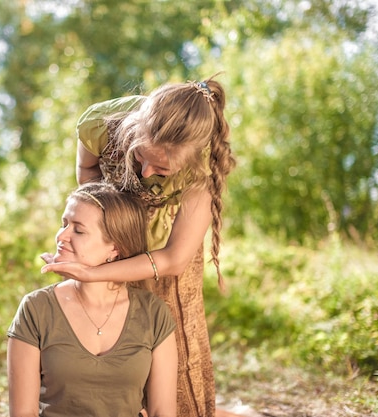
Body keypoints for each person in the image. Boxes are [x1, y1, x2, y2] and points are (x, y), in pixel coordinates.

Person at [40, 75, 236, 417]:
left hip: (168, 251)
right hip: (116, 234)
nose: (146, 172)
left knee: (170, 349)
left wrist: (93, 272)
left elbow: (173, 258)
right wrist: (109, 230)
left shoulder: (201, 171)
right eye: (141, 156)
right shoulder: (100, 124)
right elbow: (87, 172)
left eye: (161, 169)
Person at [7, 182, 178, 417]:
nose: (62, 236)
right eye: (64, 224)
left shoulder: (152, 312)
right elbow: (23, 414)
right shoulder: (36, 308)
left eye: (79, 230)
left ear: (114, 248)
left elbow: (162, 411)